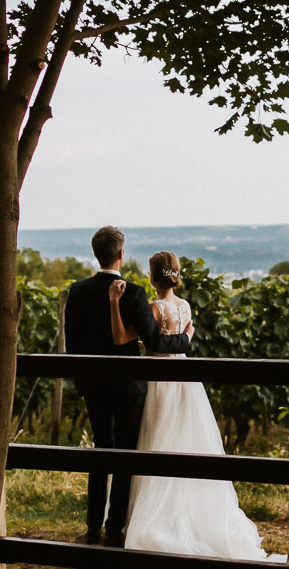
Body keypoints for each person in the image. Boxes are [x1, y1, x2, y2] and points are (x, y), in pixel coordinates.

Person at [109, 251, 286, 562]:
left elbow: (127, 337)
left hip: (159, 382)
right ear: (175, 275)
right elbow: (181, 335)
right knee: (187, 439)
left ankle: (152, 515)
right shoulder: (185, 307)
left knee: (156, 442)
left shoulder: (153, 308)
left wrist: (115, 306)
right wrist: (186, 337)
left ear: (153, 277)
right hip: (185, 379)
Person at [64, 226, 193, 547]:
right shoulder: (134, 293)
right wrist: (187, 338)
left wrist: (82, 381)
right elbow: (154, 341)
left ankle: (92, 526)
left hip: (93, 384)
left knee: (100, 450)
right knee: (124, 454)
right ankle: (114, 530)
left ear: (96, 254)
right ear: (121, 254)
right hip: (128, 387)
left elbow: (72, 344)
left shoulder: (77, 291)